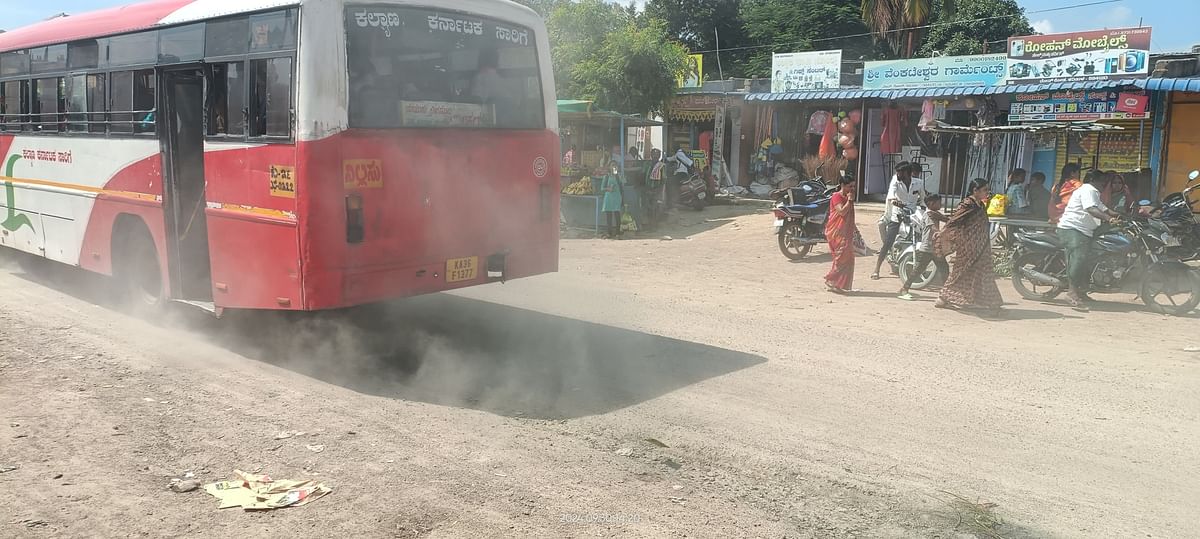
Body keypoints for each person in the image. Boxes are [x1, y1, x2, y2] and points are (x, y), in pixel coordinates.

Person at [934, 178, 1004, 316]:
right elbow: (954, 220)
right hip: (968, 247)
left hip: (981, 247)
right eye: (985, 190)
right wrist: (942, 234)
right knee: (960, 273)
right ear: (975, 191)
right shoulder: (968, 204)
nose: (987, 192)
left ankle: (991, 304)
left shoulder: (980, 204)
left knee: (983, 274)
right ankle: (943, 297)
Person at [1057, 171, 1121, 310]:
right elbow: (1091, 209)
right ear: (1092, 179)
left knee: (1091, 258)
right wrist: (1109, 219)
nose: (1104, 184)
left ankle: (1081, 290)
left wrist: (1122, 216)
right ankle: (1071, 293)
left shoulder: (1095, 193)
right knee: (1079, 257)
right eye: (1102, 180)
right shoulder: (1088, 189)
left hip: (1085, 231)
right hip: (1073, 229)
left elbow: (1104, 209)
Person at [872, 162, 924, 280]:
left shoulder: (918, 183)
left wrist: (923, 208)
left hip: (913, 215)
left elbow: (923, 199)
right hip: (898, 215)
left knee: (920, 237)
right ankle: (877, 269)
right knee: (888, 242)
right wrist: (897, 203)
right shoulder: (895, 180)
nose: (897, 174)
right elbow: (891, 196)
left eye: (900, 172)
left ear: (907, 173)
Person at [898, 194, 950, 300]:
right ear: (931, 204)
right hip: (927, 248)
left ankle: (946, 293)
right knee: (918, 270)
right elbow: (933, 228)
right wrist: (941, 233)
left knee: (944, 268)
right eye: (939, 202)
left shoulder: (935, 213)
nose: (941, 204)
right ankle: (904, 289)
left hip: (935, 248)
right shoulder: (928, 215)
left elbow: (947, 220)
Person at [824, 176, 857, 293]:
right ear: (843, 185)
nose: (852, 189)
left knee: (848, 257)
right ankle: (831, 279)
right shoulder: (836, 196)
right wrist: (849, 200)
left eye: (854, 186)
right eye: (850, 186)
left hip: (846, 231)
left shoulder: (849, 196)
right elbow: (842, 211)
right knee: (842, 257)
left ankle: (839, 285)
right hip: (836, 232)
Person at [600, 161, 624, 239]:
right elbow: (602, 188)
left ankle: (617, 233)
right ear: (609, 167)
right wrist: (608, 188)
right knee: (609, 216)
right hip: (608, 198)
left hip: (617, 197)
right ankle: (609, 233)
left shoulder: (619, 176)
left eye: (616, 165)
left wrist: (617, 175)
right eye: (613, 165)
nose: (614, 167)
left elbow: (623, 184)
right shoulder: (606, 177)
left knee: (617, 215)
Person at [666, 146, 693, 210]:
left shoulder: (678, 154)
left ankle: (673, 199)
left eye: (672, 150)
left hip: (681, 173)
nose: (672, 151)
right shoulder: (682, 153)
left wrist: (664, 159)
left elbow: (671, 158)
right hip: (685, 173)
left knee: (670, 182)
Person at [644, 149, 665, 229]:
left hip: (656, 190)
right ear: (651, 155)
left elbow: (663, 180)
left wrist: (659, 191)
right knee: (649, 209)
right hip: (648, 189)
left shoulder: (661, 166)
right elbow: (643, 175)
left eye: (657, 155)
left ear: (659, 156)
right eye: (653, 155)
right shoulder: (647, 164)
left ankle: (654, 226)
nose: (655, 157)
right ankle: (650, 225)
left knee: (655, 208)